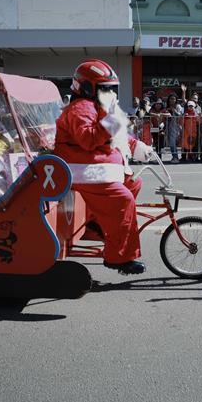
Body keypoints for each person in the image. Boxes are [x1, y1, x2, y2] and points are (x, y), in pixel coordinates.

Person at [53, 60, 153, 276]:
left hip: (97, 167)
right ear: (87, 87)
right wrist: (113, 122)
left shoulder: (96, 106)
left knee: (134, 183)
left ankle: (95, 225)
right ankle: (120, 257)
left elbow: (117, 135)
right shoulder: (80, 108)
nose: (109, 93)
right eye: (104, 88)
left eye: (111, 88)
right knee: (123, 200)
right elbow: (88, 139)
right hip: (84, 170)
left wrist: (137, 146)